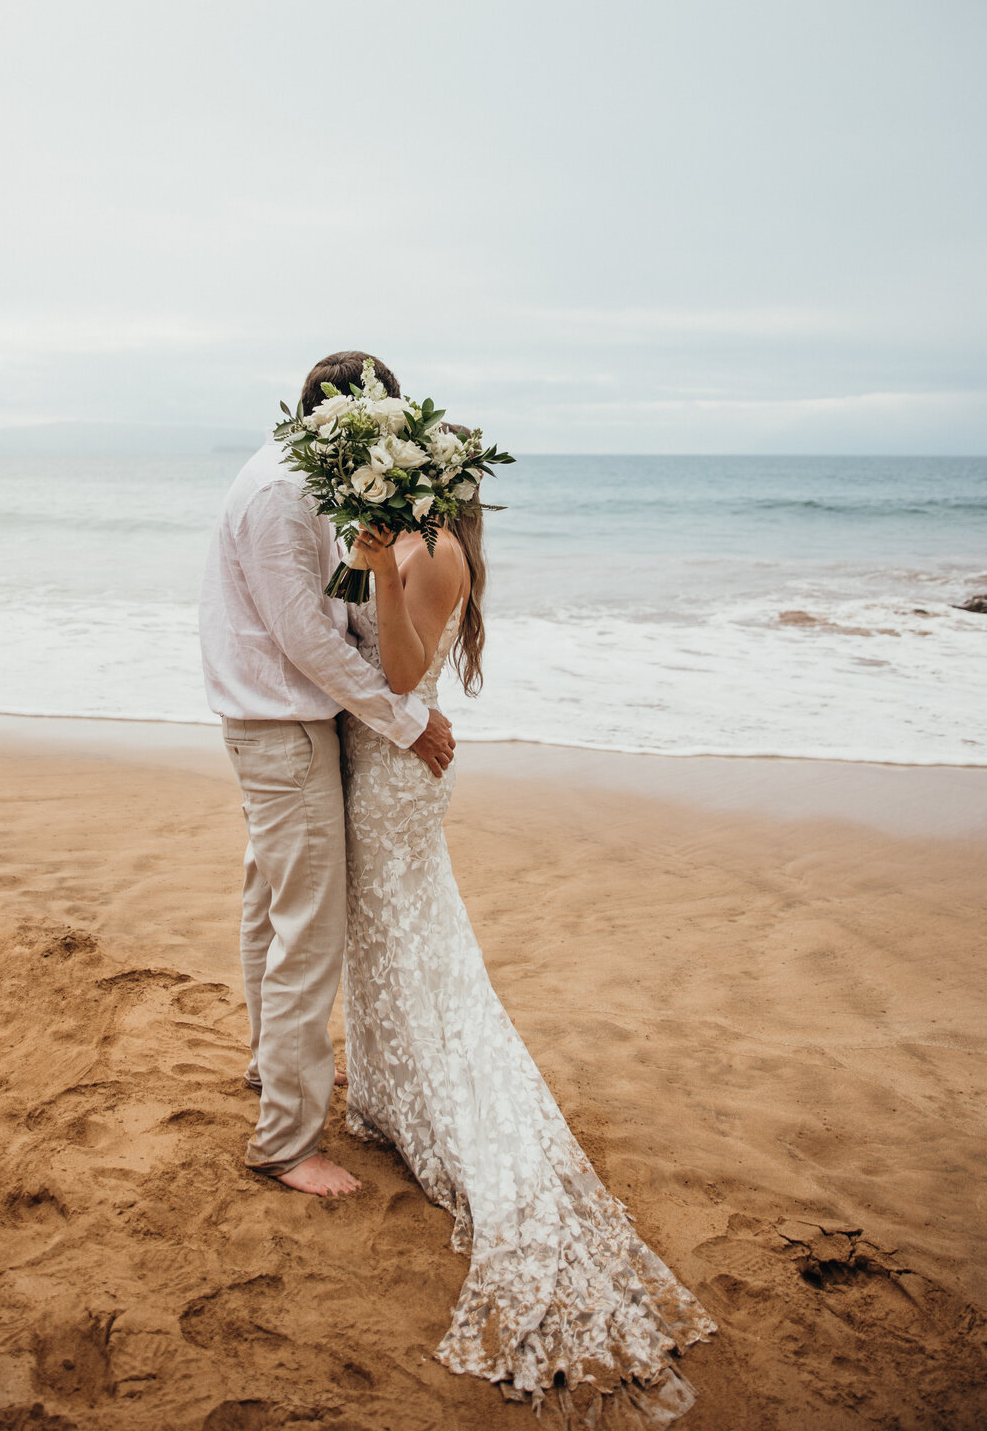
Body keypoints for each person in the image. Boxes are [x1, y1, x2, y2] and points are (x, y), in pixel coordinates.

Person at [340, 478, 716, 1418]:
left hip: (390, 775)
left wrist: (380, 567)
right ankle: (390, 1095)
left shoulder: (437, 556)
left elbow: (397, 676)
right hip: (383, 766)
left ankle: (429, 1108)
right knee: (399, 945)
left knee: (415, 946)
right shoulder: (422, 547)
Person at [199, 351, 455, 1200]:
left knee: (272, 911)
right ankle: (285, 1142)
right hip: (282, 729)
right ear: (345, 423)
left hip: (280, 725)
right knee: (308, 929)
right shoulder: (280, 492)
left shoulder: (302, 483)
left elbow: (327, 606)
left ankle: (273, 1068)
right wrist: (406, 718)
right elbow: (305, 635)